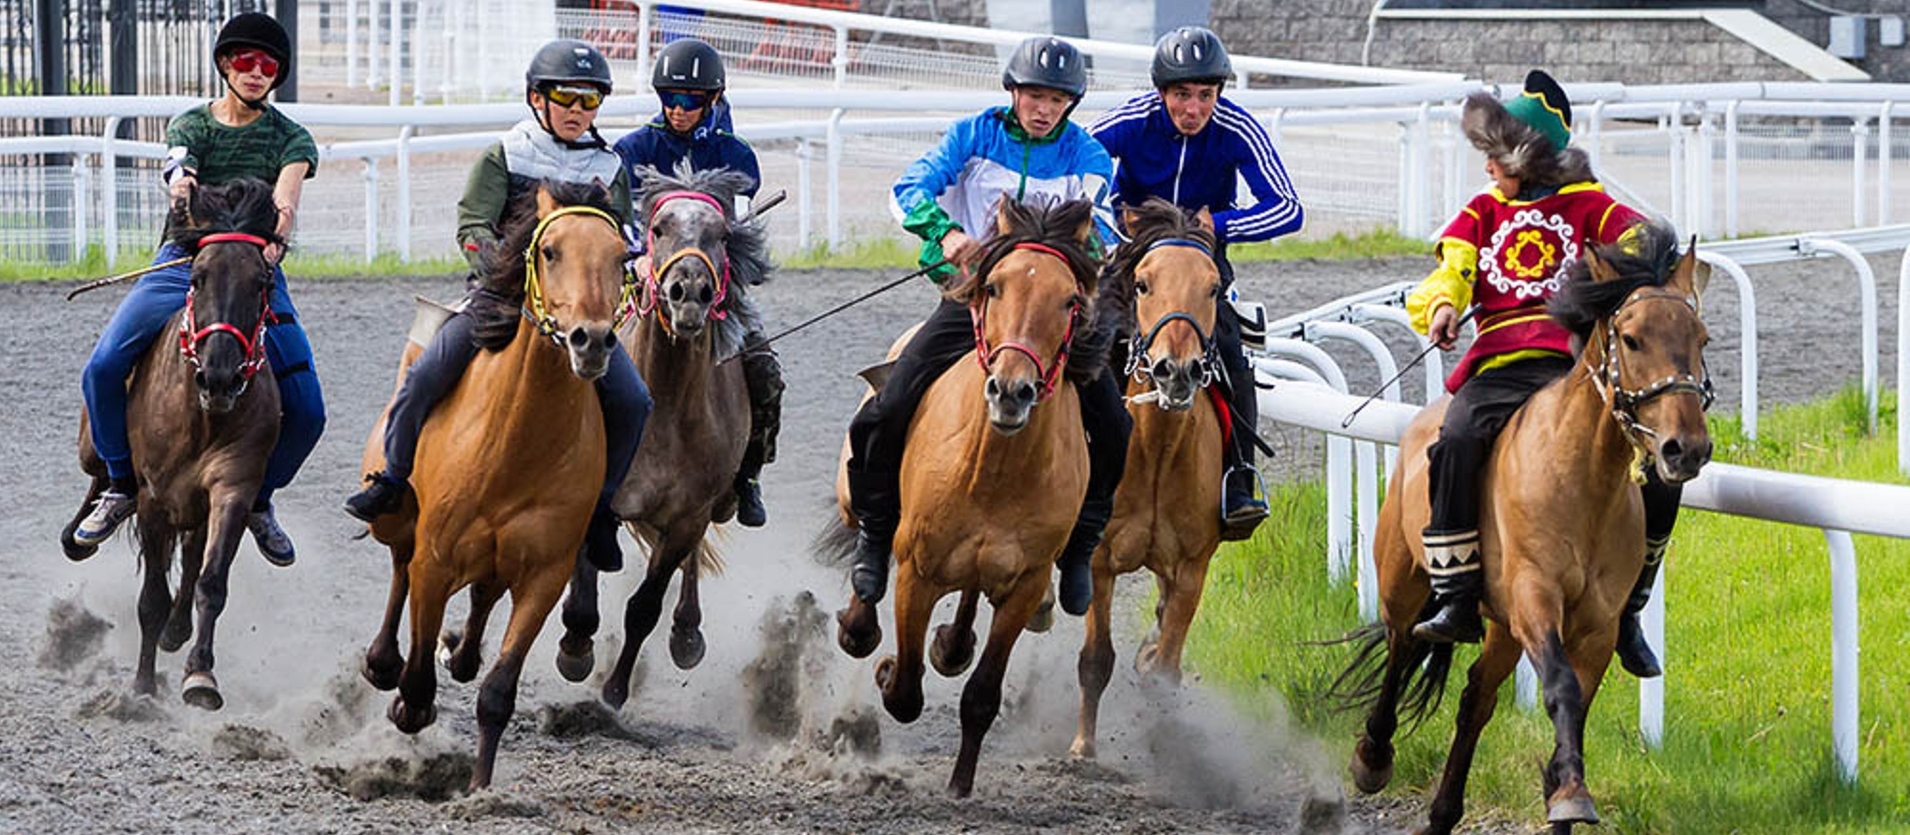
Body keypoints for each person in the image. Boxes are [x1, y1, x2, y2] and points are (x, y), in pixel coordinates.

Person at [1404, 70, 1678, 679]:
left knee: (1660, 471)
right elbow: (1452, 271)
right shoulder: (1481, 211)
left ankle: (1629, 606)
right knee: (1456, 442)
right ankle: (1455, 595)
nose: (1488, 167)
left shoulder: (1589, 205)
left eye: (1498, 157)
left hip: (1576, 370)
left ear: (1532, 159)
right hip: (1498, 366)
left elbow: (1647, 244)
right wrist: (1443, 306)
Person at [343, 39, 652, 574]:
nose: (578, 110)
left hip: (577, 313)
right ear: (537, 98)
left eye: (590, 100)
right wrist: (511, 278)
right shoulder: (505, 154)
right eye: (566, 97)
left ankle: (600, 512)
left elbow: (620, 236)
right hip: (498, 299)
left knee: (634, 401)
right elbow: (473, 227)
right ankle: (392, 479)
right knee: (425, 375)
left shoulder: (610, 167)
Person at [846, 36, 1129, 617]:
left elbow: (1100, 229)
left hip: (1050, 314)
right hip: (975, 301)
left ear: (1071, 105)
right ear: (1013, 92)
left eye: (1057, 100)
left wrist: (1066, 263)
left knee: (1115, 424)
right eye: (1034, 96)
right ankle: (875, 535)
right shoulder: (973, 135)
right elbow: (907, 191)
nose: (1044, 109)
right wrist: (945, 233)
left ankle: (1079, 546)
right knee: (886, 408)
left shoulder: (1088, 156)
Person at [73, 12, 325, 567]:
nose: (257, 72)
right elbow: (178, 173)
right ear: (225, 65)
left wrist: (274, 244)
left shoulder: (292, 138)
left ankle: (258, 499)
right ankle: (120, 485)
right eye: (246, 61)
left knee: (309, 410)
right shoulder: (190, 125)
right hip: (183, 263)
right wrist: (180, 187)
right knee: (103, 367)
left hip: (256, 271)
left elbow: (285, 202)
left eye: (268, 65)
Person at [1088, 26, 1304, 541]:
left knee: (1232, 354)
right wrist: (1115, 229)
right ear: (1162, 92)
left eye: (1205, 95)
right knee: (1091, 344)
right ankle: (1078, 474)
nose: (1194, 108)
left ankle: (1239, 480)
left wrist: (1219, 225)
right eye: (1182, 95)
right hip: (1134, 261)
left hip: (1203, 264)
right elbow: (1077, 169)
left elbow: (1288, 209)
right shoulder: (1130, 120)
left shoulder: (1237, 126)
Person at [613, 38, 783, 529]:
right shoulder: (633, 150)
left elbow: (739, 232)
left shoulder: (736, 156)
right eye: (669, 97)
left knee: (765, 371)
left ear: (713, 99)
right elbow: (621, 221)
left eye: (689, 99)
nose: (678, 108)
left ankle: (747, 474)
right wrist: (638, 260)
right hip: (639, 283)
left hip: (713, 288)